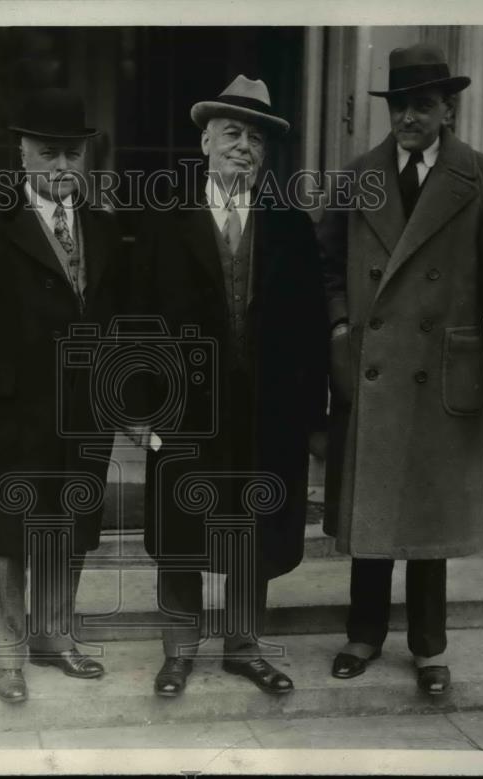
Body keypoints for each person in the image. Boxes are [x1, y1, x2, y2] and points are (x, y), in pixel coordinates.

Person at [318, 43, 483, 695]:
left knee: (429, 512)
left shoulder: (482, 177)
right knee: (373, 508)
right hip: (375, 367)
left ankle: (428, 645)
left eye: (422, 105)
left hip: (443, 366)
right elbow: (326, 265)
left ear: (448, 108)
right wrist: (338, 322)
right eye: (400, 105)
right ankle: (362, 634)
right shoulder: (359, 175)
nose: (408, 117)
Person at [130, 75, 329, 698]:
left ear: (266, 154)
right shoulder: (164, 221)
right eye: (232, 134)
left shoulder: (291, 225)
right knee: (182, 534)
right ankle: (179, 653)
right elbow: (136, 323)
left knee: (254, 527)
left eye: (256, 139)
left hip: (265, 409)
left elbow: (312, 327)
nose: (243, 147)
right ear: (206, 144)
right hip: (185, 409)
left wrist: (308, 412)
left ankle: (244, 647)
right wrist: (138, 408)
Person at [0, 88, 124, 704]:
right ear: (21, 153)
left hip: (83, 408)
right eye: (48, 154)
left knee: (68, 524)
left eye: (72, 154)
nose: (61, 168)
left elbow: (116, 316)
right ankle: (7, 655)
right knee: (6, 532)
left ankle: (54, 637)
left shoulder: (105, 228)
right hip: (12, 404)